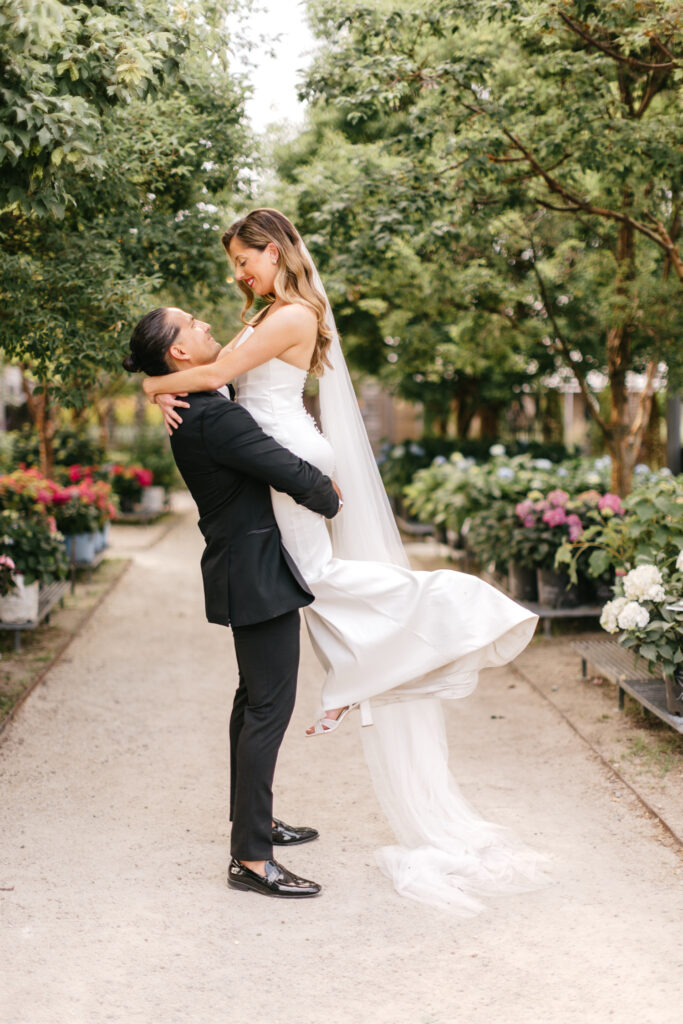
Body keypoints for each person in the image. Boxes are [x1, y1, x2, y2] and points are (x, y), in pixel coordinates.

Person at [137, 209, 547, 913]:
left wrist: (151, 386)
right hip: (268, 513)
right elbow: (220, 381)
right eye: (235, 262)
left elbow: (224, 373)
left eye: (244, 259)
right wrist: (163, 386)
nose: (236, 276)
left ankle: (441, 614)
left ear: (274, 251)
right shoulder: (259, 324)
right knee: (269, 689)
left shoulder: (288, 316)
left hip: (281, 482)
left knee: (294, 642)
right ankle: (252, 849)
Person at [123, 309, 341, 900]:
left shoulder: (197, 400)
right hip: (255, 570)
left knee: (253, 702)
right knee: (269, 707)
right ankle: (250, 857)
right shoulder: (213, 416)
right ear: (179, 354)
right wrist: (331, 495)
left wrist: (153, 387)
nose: (204, 324)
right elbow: (281, 466)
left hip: (243, 565)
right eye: (190, 324)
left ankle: (253, 823)